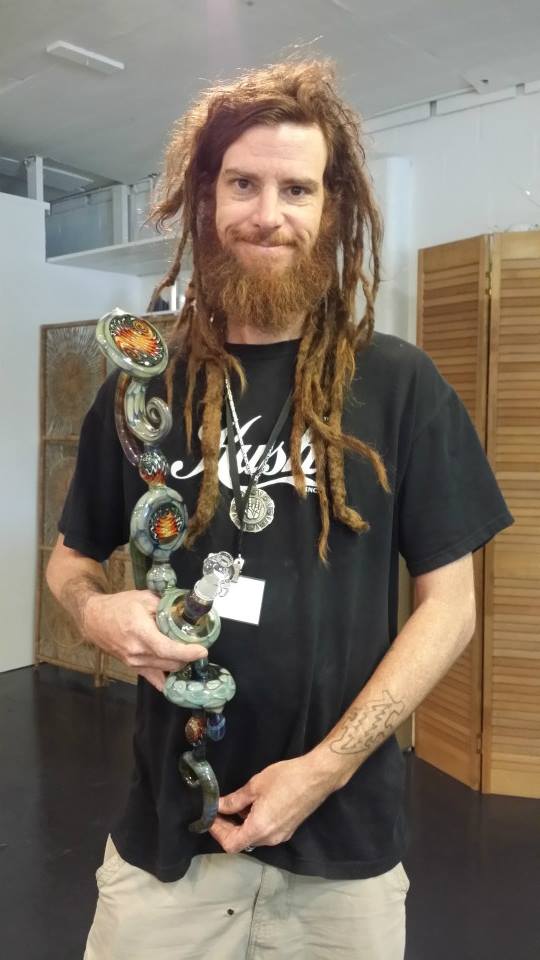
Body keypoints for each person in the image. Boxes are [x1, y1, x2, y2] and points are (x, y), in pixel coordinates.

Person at [46, 59, 514, 960]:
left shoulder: (400, 385)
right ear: (204, 200)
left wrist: (324, 771)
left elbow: (450, 606)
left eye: (296, 188)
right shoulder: (143, 389)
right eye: (243, 184)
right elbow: (70, 564)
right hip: (166, 850)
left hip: (343, 859)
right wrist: (95, 614)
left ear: (330, 209)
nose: (268, 213)